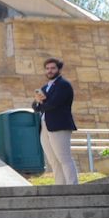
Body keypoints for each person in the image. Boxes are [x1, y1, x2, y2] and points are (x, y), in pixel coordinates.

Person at [33, 57, 78, 185]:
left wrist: (40, 103)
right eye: (47, 69)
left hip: (59, 125)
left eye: (53, 68)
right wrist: (38, 102)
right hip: (45, 125)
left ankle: (73, 186)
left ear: (58, 69)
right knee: (53, 160)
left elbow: (53, 104)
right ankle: (60, 186)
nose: (50, 71)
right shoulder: (44, 87)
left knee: (64, 158)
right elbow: (35, 106)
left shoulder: (63, 85)